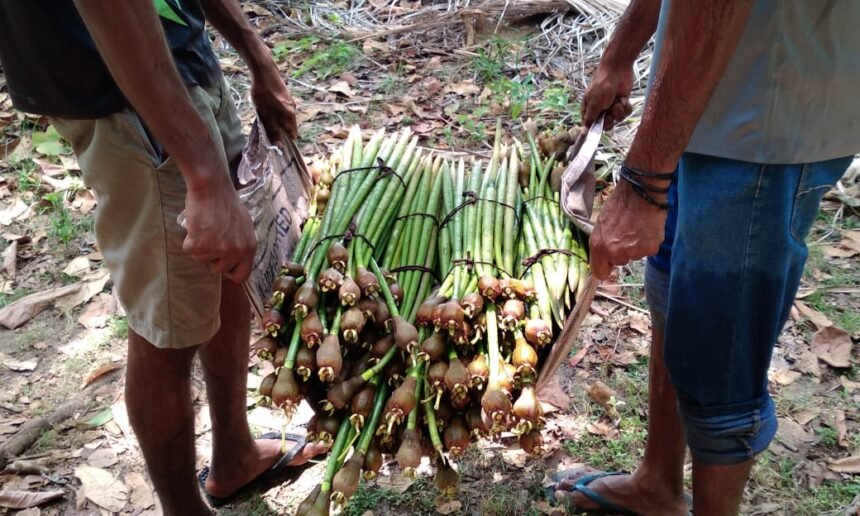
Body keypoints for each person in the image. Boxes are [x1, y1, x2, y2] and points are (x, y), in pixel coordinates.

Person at [0, 1, 327, 514]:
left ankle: (234, 455)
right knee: (166, 329)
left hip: (181, 64)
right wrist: (203, 174)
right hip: (126, 94)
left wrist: (253, 50)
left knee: (227, 269)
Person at [552, 1, 860, 514]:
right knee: (673, 296)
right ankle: (658, 484)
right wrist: (620, 53)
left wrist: (644, 182)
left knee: (720, 357)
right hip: (699, 106)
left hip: (766, 117)